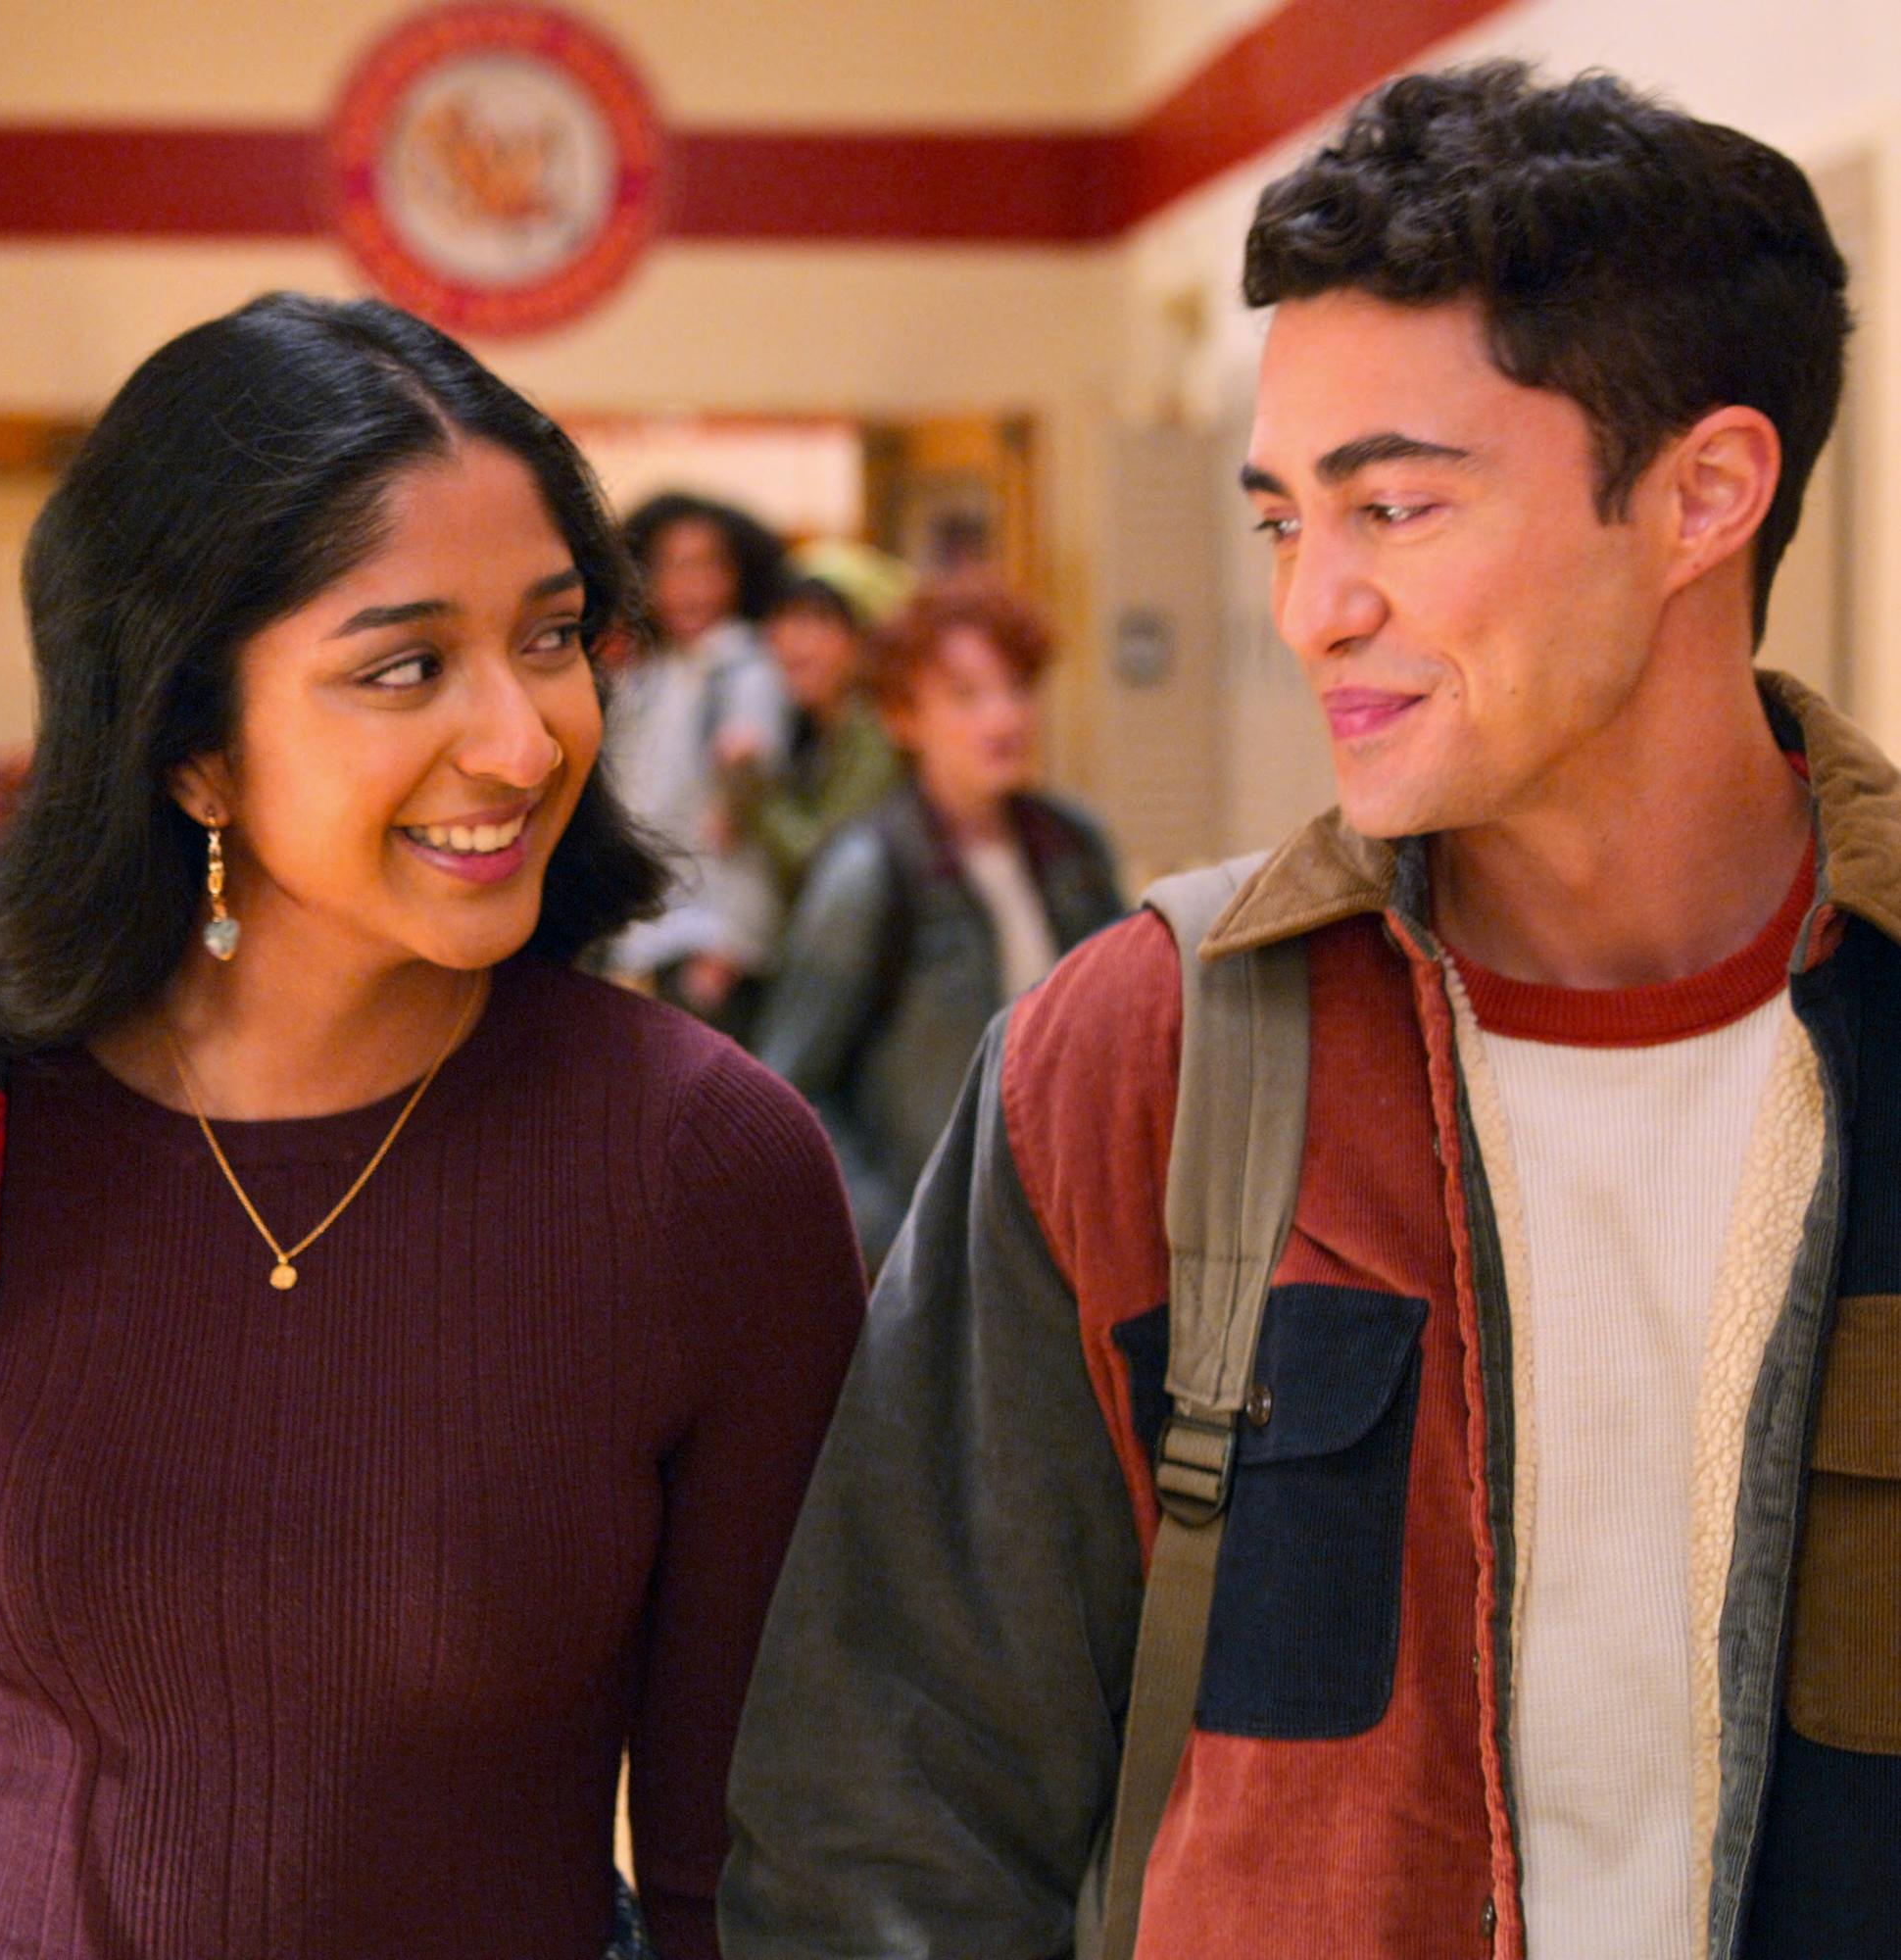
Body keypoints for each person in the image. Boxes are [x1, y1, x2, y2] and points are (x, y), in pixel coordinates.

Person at [723, 64, 1894, 1959]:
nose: (1313, 609)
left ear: (1703, 493)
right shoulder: (1145, 1057)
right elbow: (886, 1820)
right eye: (1283, 521)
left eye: (1397, 508)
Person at [0, 293, 867, 1960]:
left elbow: (732, 1873)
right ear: (187, 744)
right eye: (406, 665)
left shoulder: (701, 1174)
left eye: (551, 638)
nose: (521, 736)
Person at [754, 575, 1121, 1267]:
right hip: (940, 1258)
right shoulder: (869, 869)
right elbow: (791, 1092)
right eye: (966, 696)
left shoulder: (1072, 846)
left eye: (1016, 689)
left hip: (1072, 1244)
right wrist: (896, 1242)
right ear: (903, 716)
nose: (1002, 718)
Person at [602, 493, 791, 1031]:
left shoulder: (744, 666)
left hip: (709, 931)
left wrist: (731, 938)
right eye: (674, 567)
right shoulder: (654, 669)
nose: (692, 586)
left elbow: (749, 807)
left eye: (708, 566)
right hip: (649, 918)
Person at [738, 550, 906, 903]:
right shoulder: (814, 728)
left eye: (817, 620)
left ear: (866, 640)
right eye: (784, 619)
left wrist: (753, 788)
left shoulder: (878, 734)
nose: (792, 639)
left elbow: (819, 860)